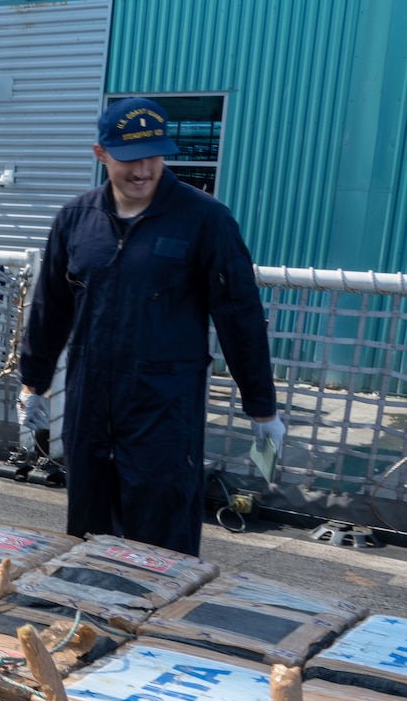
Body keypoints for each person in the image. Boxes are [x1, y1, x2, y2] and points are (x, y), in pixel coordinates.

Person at [18, 97, 283, 557]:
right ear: (101, 154)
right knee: (88, 534)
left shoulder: (203, 219)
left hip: (163, 409)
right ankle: (91, 620)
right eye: (128, 158)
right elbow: (50, 309)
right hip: (90, 402)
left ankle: (160, 625)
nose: (143, 170)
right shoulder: (77, 220)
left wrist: (261, 406)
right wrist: (33, 383)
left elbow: (238, 315)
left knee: (162, 537)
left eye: (153, 156)